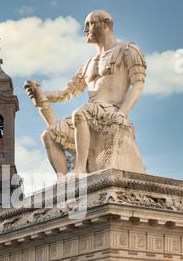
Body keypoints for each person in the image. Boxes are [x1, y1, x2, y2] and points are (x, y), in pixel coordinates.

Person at [24, 10, 146, 178]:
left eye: (90, 23)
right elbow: (66, 93)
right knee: (49, 134)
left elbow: (138, 84)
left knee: (81, 113)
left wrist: (122, 113)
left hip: (111, 110)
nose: (86, 29)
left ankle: (80, 170)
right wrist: (41, 95)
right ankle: (63, 183)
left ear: (106, 24)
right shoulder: (88, 64)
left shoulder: (127, 49)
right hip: (89, 114)